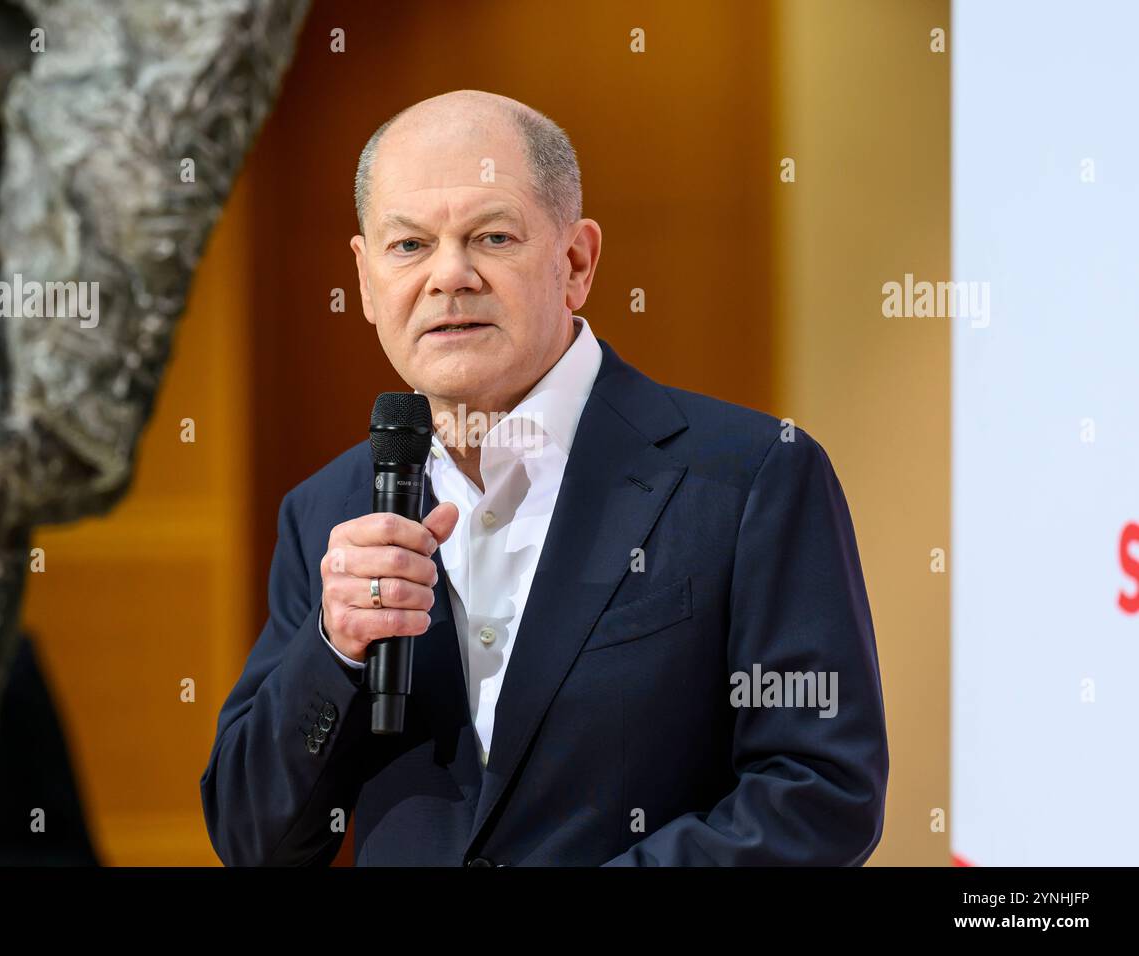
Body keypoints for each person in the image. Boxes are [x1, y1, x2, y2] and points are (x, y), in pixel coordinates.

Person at [200, 89, 888, 866]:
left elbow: (820, 791)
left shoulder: (750, 476)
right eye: (408, 247)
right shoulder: (327, 511)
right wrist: (334, 650)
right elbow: (253, 840)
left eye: (492, 237)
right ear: (363, 280)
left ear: (576, 262)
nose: (448, 276)